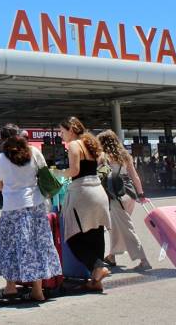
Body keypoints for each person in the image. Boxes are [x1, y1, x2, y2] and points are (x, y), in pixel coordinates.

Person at [0, 124, 62, 302]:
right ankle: (38, 290)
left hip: (12, 207)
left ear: (2, 139)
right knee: (36, 245)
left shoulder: (0, 158)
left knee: (6, 246)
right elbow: (45, 174)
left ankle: (10, 287)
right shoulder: (34, 152)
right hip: (36, 205)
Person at [57, 116, 111, 291]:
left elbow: (74, 171)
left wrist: (58, 172)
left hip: (83, 193)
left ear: (71, 130)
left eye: (62, 131)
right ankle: (95, 281)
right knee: (96, 234)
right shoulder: (90, 144)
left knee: (73, 236)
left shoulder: (74, 145)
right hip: (98, 191)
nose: (60, 135)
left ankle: (98, 267)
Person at [97, 130, 151, 271]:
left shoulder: (103, 157)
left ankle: (144, 260)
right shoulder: (125, 155)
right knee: (117, 226)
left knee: (126, 228)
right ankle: (111, 256)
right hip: (129, 194)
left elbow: (99, 176)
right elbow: (135, 176)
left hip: (115, 196)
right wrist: (141, 194)